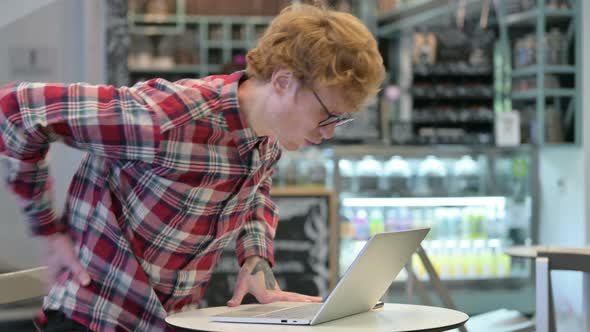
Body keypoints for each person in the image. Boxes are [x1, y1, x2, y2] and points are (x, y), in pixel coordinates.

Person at [0, 3, 384, 331]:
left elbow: (255, 190)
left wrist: (256, 257)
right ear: (283, 81)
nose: (330, 132)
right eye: (327, 115)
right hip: (93, 317)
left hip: (168, 319)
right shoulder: (166, 118)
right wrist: (48, 229)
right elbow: (15, 109)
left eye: (341, 120)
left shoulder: (267, 134)